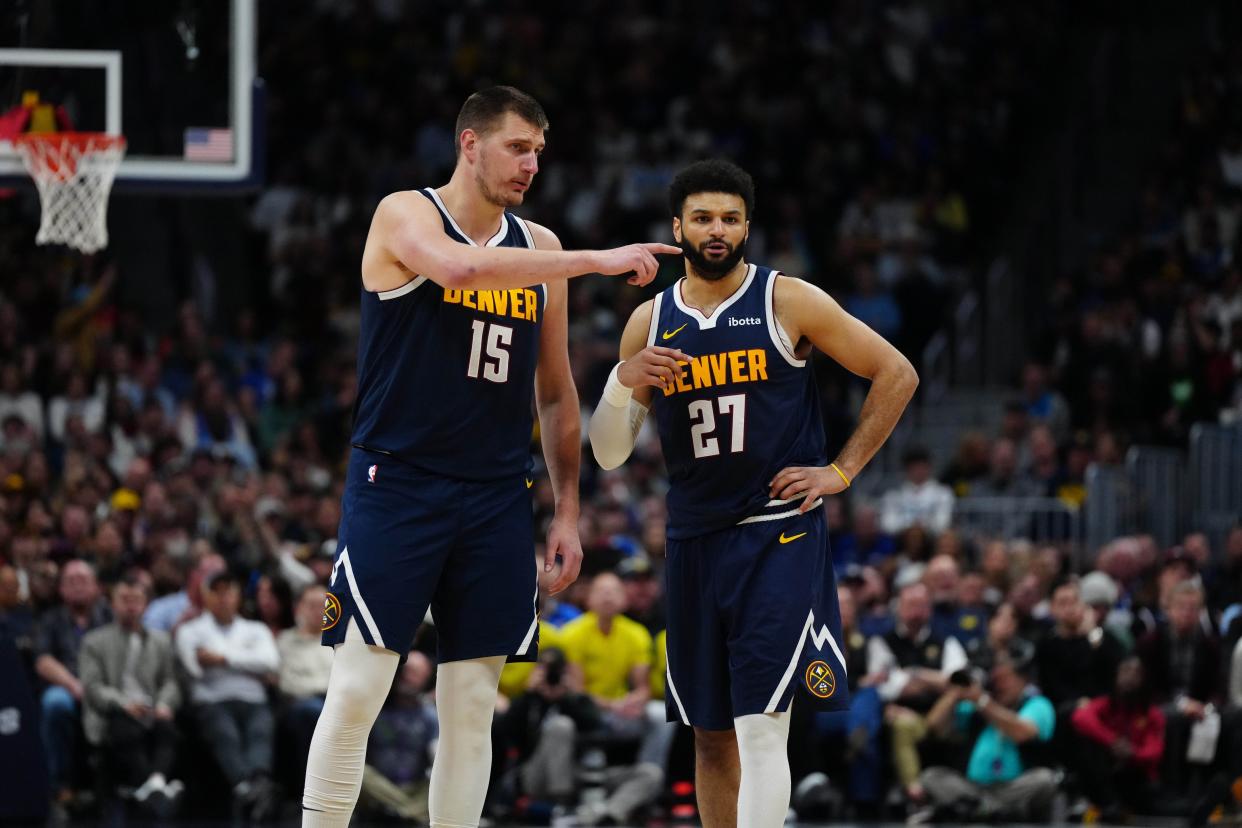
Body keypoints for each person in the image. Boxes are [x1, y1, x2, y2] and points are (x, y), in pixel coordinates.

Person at [301, 85, 680, 828]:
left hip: (499, 496)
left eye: (539, 151)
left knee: (473, 706)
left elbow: (556, 393)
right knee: (355, 691)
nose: (531, 164)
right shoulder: (404, 213)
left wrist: (567, 511)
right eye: (517, 146)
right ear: (469, 144)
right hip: (397, 482)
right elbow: (461, 273)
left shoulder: (541, 251)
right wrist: (598, 260)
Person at [589, 159, 918, 826]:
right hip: (692, 541)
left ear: (747, 227)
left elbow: (896, 372)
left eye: (731, 219)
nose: (718, 231)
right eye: (704, 218)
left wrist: (841, 470)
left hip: (778, 532)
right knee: (709, 735)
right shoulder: (648, 322)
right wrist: (624, 378)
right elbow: (609, 452)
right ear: (676, 226)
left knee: (762, 724)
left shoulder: (786, 299)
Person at [175, 570, 281, 820]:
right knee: (225, 733)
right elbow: (194, 667)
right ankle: (250, 786)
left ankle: (253, 785)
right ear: (206, 597)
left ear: (238, 597)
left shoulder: (256, 629)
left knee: (260, 731)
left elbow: (271, 662)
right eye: (216, 592)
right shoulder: (189, 630)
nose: (223, 598)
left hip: (253, 699)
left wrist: (222, 658)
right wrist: (249, 663)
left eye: (229, 592)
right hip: (212, 700)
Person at [914, 650, 1058, 823]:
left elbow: (1022, 732)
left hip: (1012, 787)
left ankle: (977, 810)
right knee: (932, 776)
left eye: (1004, 679)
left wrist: (982, 701)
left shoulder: (1036, 704)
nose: (998, 685)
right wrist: (955, 692)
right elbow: (933, 726)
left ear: (1022, 680)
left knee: (1044, 780)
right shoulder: (977, 704)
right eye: (995, 679)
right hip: (973, 788)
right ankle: (992, 811)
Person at [78, 574, 183, 811]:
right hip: (114, 710)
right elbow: (93, 687)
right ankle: (156, 785)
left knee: (168, 730)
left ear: (145, 604)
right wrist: (124, 703)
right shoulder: (94, 641)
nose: (130, 606)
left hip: (152, 708)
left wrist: (164, 704)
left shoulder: (161, 641)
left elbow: (171, 681)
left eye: (136, 600)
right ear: (112, 604)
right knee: (126, 729)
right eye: (124, 599)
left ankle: (149, 786)